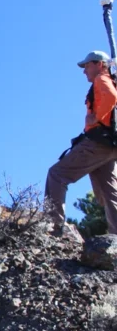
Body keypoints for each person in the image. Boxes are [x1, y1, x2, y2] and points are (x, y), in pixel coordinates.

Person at [45, 50, 117, 235]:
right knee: (108, 192)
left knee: (57, 174)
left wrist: (96, 118)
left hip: (98, 143)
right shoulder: (110, 80)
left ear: (99, 64)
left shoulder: (102, 79)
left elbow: (110, 96)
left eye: (87, 66)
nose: (84, 70)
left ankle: (54, 226)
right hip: (111, 146)